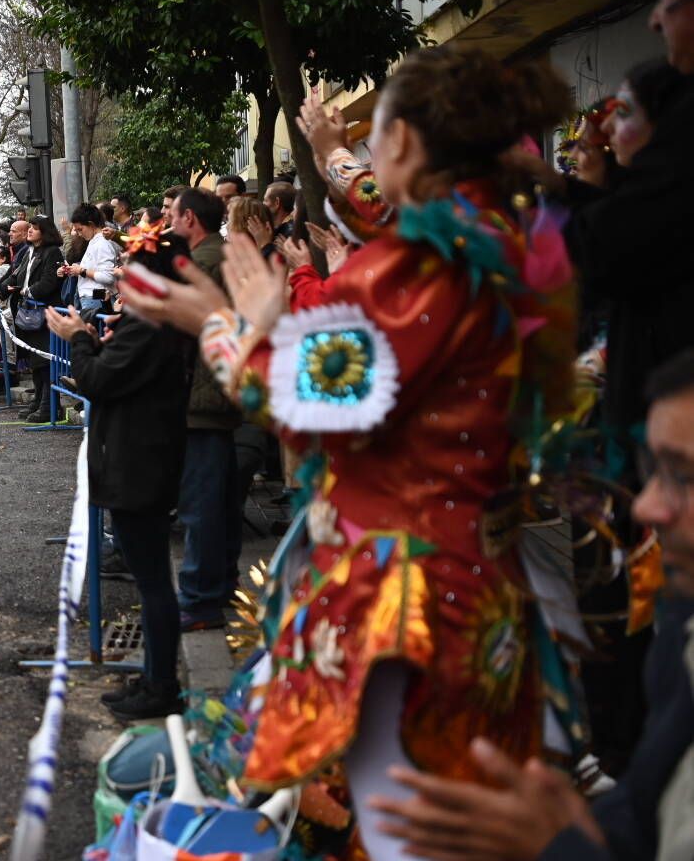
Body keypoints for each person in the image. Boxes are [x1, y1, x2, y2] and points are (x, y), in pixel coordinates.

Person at [124, 46, 581, 860]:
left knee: (397, 828)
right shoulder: (490, 239)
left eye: (376, 140)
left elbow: (314, 394)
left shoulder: (425, 260)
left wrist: (220, 325)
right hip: (470, 581)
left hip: (398, 600)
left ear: (402, 143)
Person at [369, 350, 694, 861]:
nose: (648, 506)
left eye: (684, 476)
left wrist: (555, 847)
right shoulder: (681, 632)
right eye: (653, 469)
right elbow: (642, 814)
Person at [47, 238, 191, 721]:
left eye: (130, 274)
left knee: (152, 584)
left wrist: (79, 339)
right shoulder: (151, 323)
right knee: (150, 580)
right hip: (141, 457)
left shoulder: (149, 327)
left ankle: (161, 684)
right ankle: (155, 676)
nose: (121, 281)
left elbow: (97, 381)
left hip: (139, 463)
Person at [164, 187, 240, 631]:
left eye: (172, 214)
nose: (168, 222)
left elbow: (188, 326)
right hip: (215, 390)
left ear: (190, 219)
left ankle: (199, 598)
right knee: (219, 498)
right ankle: (219, 585)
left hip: (203, 394)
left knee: (202, 501)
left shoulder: (206, 262)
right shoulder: (216, 256)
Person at [0, 214, 65, 422]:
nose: (31, 231)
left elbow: (49, 282)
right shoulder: (29, 252)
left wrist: (25, 292)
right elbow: (16, 276)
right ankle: (38, 401)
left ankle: (50, 405)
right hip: (28, 313)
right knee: (35, 361)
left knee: (44, 360)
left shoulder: (52, 253)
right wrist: (0, 294)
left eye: (35, 227)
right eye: (30, 227)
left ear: (45, 231)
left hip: (44, 313)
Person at [61, 202, 118, 319]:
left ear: (91, 224)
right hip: (89, 299)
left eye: (80, 229)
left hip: (95, 301)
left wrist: (81, 270)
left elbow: (108, 276)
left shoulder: (103, 243)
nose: (79, 234)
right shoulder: (94, 241)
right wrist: (75, 269)